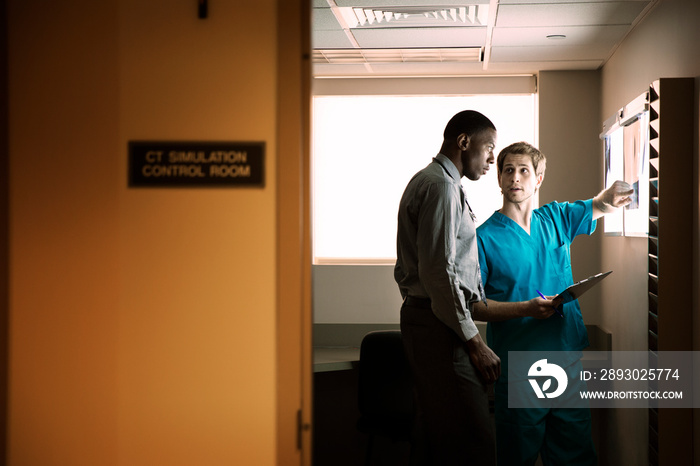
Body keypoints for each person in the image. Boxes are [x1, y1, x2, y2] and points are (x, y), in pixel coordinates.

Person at [473, 141, 633, 466]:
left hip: (565, 360)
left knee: (575, 454)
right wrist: (526, 309)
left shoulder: (556, 218)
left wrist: (616, 191)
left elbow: (600, 205)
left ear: (538, 178)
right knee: (517, 454)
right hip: (519, 364)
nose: (515, 178)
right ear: (500, 179)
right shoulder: (483, 238)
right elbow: (474, 306)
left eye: (523, 171)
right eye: (508, 170)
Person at [394, 110, 500, 465]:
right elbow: (439, 272)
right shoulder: (440, 186)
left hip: (432, 319)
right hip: (439, 326)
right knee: (473, 440)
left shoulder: (442, 183)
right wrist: (475, 342)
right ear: (464, 142)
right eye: (489, 148)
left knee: (440, 434)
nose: (491, 160)